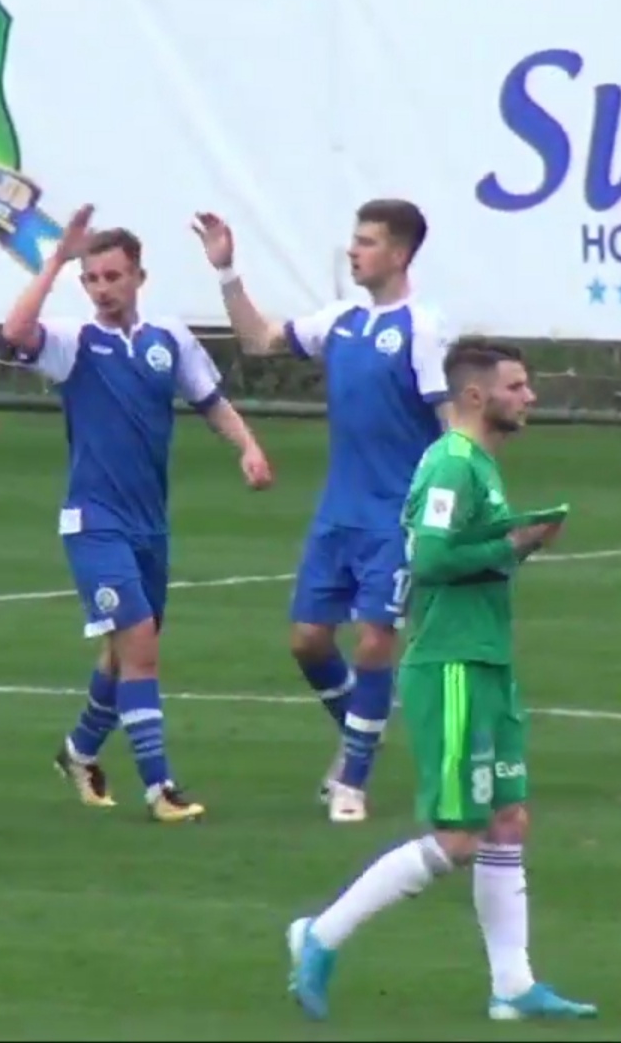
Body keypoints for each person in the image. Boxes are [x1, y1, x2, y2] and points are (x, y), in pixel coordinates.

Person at [285, 339, 597, 1024]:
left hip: (485, 660)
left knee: (507, 820)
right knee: (459, 836)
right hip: (450, 667)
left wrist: (518, 538)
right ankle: (320, 935)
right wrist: (515, 543)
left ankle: (512, 986)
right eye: (516, 386)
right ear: (477, 396)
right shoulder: (452, 464)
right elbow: (428, 558)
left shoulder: (479, 464)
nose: (529, 397)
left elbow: (465, 554)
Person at [3, 204, 273, 823]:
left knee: (122, 653)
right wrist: (56, 260)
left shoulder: (167, 339)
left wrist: (249, 447)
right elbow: (16, 331)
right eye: (92, 279)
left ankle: (78, 752)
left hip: (149, 524)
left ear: (138, 278)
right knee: (142, 647)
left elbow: (211, 401)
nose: (102, 289)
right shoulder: (74, 343)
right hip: (94, 522)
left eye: (113, 276)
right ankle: (160, 789)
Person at [192, 199, 452, 822]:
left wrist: (446, 509)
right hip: (339, 513)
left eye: (367, 241)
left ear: (399, 253)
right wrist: (226, 271)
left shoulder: (424, 328)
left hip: (397, 516)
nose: (354, 251)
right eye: (354, 239)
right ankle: (363, 728)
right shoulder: (340, 321)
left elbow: (450, 427)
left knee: (375, 640)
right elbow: (258, 340)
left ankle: (352, 781)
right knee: (308, 641)